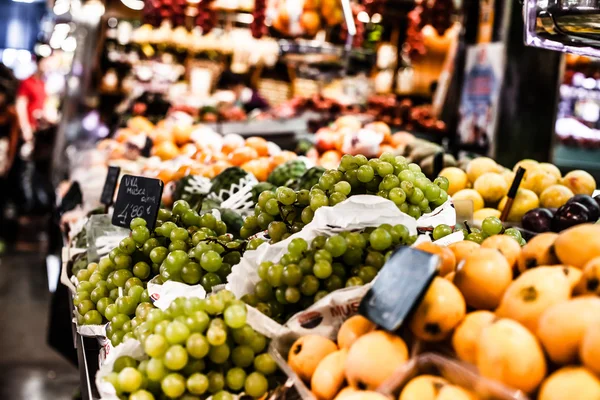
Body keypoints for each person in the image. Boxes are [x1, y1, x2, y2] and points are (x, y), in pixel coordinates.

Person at [0, 84, 20, 243]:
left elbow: (13, 142)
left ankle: (6, 237)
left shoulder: (11, 114)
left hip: (4, 159)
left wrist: (9, 162)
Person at [16, 56, 48, 146]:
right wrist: (25, 127)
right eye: (45, 63)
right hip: (27, 127)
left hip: (37, 127)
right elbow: (20, 105)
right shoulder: (27, 82)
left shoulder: (42, 84)